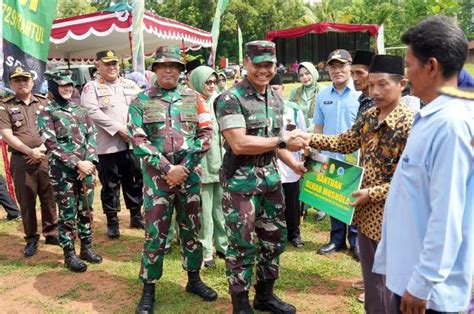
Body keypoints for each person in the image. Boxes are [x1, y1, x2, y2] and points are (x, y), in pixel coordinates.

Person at [298, 54, 414, 313]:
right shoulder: (370, 116)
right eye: (371, 84)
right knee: (373, 284)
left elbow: (411, 180)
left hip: (395, 218)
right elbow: (344, 142)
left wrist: (371, 193)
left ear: (402, 84)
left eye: (382, 84)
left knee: (393, 287)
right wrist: (308, 138)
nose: (374, 91)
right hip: (363, 215)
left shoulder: (411, 124)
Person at [373, 16, 474, 314]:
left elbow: (447, 214)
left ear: (430, 66)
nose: (406, 73)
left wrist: (423, 282)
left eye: (408, 64)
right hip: (410, 279)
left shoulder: (451, 126)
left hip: (429, 294)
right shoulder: (429, 116)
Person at [215, 40, 305, 314]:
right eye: (258, 65)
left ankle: (265, 296)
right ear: (246, 64)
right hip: (241, 183)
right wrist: (282, 142)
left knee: (274, 240)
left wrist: (295, 164)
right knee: (242, 243)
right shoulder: (230, 99)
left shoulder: (276, 99)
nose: (264, 71)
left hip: (270, 181)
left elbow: (275, 144)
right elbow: (239, 143)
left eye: (269, 65)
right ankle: (240, 304)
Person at [129, 46, 218, 314]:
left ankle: (194, 279)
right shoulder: (140, 100)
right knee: (155, 234)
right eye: (163, 65)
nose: (168, 69)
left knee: (191, 229)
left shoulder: (196, 99)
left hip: (189, 178)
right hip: (158, 181)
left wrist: (184, 167)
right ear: (155, 69)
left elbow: (206, 134)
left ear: (181, 71)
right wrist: (168, 167)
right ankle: (149, 288)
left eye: (174, 66)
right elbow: (137, 138)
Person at [38, 72, 102, 273]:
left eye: (70, 85)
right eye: (62, 85)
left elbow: (92, 136)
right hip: (62, 173)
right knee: (67, 214)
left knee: (86, 210)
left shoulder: (80, 109)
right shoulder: (47, 112)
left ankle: (87, 248)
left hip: (86, 171)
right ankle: (69, 254)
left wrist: (90, 161)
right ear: (53, 87)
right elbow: (51, 143)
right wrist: (77, 164)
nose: (67, 89)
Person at [80, 50, 144, 239]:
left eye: (114, 63)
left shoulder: (130, 84)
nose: (112, 67)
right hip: (107, 146)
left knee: (134, 180)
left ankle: (136, 215)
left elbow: (142, 107)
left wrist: (132, 130)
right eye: (107, 64)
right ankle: (112, 221)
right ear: (97, 65)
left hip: (132, 144)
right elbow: (92, 112)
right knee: (110, 184)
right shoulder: (91, 88)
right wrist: (119, 129)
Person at [0, 66, 58, 257]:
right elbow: (7, 135)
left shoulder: (44, 102)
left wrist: (41, 149)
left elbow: (53, 128)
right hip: (21, 159)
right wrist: (29, 150)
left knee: (49, 197)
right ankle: (31, 238)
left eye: (25, 79)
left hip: (45, 156)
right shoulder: (5, 106)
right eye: (17, 80)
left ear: (33, 82)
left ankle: (51, 233)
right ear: (11, 84)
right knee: (26, 200)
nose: (22, 83)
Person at [313, 49, 360, 259]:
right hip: (331, 155)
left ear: (350, 66)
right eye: (333, 66)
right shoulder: (322, 95)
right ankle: (336, 239)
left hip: (356, 156)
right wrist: (316, 153)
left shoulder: (361, 93)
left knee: (355, 198)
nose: (337, 70)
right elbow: (319, 128)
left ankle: (356, 240)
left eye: (342, 65)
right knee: (333, 196)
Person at [188, 65, 228, 268]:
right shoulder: (190, 102)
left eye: (214, 81)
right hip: (201, 164)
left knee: (221, 209)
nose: (212, 85)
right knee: (205, 211)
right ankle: (206, 251)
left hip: (220, 162)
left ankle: (223, 246)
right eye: (207, 82)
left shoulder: (220, 101)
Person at [270, 73, 306, 249]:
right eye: (270, 89)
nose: (273, 92)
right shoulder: (263, 108)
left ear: (283, 88)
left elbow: (303, 134)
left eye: (275, 88)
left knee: (292, 201)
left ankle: (294, 234)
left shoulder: (293, 109)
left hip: (291, 163)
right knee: (274, 202)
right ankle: (277, 234)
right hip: (272, 162)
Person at [289, 62, 320, 129]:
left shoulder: (324, 91)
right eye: (301, 75)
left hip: (318, 134)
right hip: (299, 134)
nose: (304, 77)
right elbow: (290, 115)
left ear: (313, 73)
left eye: (307, 73)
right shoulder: (294, 93)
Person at [351, 50, 375, 118]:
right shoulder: (363, 99)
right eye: (352, 73)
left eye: (359, 73)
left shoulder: (379, 102)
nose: (354, 78)